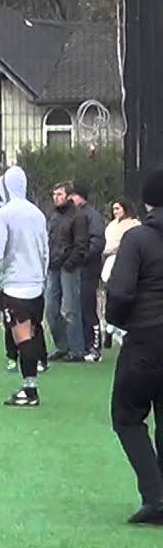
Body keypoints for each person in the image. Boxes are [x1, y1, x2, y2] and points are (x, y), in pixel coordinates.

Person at [104, 168, 163, 525]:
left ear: (146, 202)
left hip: (146, 337)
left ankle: (155, 496)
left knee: (127, 415)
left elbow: (121, 291)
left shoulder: (138, 238)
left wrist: (117, 322)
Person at [0, 166, 50, 407]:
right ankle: (30, 386)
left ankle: (29, 390)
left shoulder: (4, 214)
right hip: (36, 285)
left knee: (22, 338)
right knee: (31, 333)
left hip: (15, 286)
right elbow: (45, 250)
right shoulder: (38, 214)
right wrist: (42, 276)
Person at [44, 182, 89, 361]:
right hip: (53, 266)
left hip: (69, 267)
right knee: (51, 309)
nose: (56, 198)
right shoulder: (53, 215)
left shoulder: (78, 216)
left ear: (69, 196)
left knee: (71, 310)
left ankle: (77, 350)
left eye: (60, 194)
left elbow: (81, 245)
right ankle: (62, 345)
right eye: (54, 194)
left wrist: (69, 263)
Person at [69, 183, 106, 360]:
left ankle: (94, 346)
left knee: (87, 306)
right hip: (76, 268)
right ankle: (82, 344)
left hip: (89, 268)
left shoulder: (92, 216)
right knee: (76, 306)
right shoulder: (73, 215)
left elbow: (97, 242)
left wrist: (82, 257)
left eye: (73, 195)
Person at [101, 199, 141, 349]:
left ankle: (120, 329)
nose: (115, 212)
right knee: (111, 296)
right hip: (110, 264)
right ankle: (111, 327)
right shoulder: (112, 226)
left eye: (118, 208)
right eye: (114, 209)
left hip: (127, 264)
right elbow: (107, 245)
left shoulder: (134, 225)